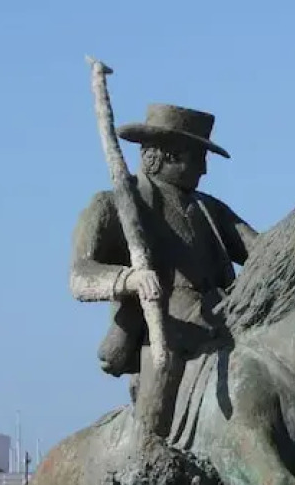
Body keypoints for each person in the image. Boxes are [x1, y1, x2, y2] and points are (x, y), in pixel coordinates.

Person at [70, 103, 257, 433]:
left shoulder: (210, 209)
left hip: (226, 321)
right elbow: (80, 276)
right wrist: (129, 279)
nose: (204, 171)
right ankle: (146, 458)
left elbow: (261, 250)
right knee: (158, 403)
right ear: (168, 155)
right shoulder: (114, 204)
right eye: (199, 158)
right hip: (164, 332)